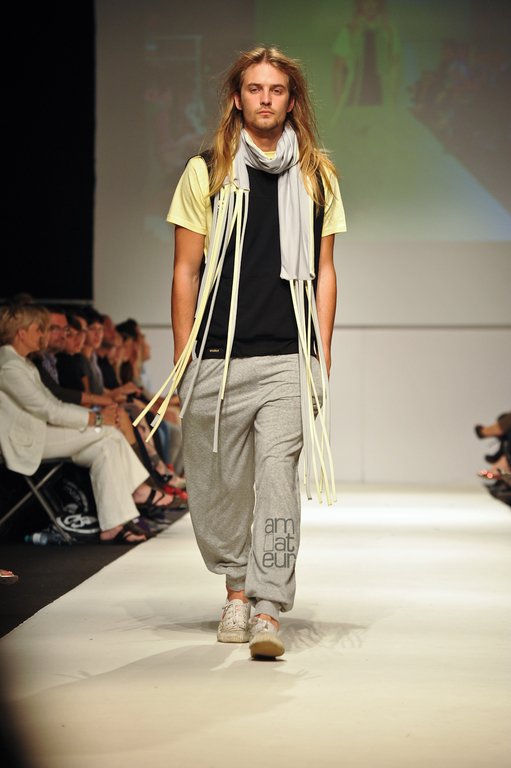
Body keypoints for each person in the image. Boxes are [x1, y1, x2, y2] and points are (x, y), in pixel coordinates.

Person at [138, 46, 346, 658]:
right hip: (217, 358)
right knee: (219, 486)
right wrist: (184, 357)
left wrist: (320, 353)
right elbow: (185, 270)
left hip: (286, 356)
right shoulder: (206, 172)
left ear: (291, 99)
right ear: (237, 98)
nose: (265, 98)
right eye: (254, 88)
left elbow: (325, 270)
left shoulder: (317, 175)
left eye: (276, 89)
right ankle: (235, 589)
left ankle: (268, 606)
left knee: (279, 479)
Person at [0, 303, 156, 544]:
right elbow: (49, 409)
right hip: (26, 442)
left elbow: (52, 405)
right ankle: (137, 491)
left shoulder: (23, 363)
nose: (42, 335)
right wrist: (97, 418)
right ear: (21, 333)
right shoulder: (9, 367)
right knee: (107, 432)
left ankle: (115, 523)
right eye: (38, 329)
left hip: (40, 432)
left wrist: (96, 417)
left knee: (105, 446)